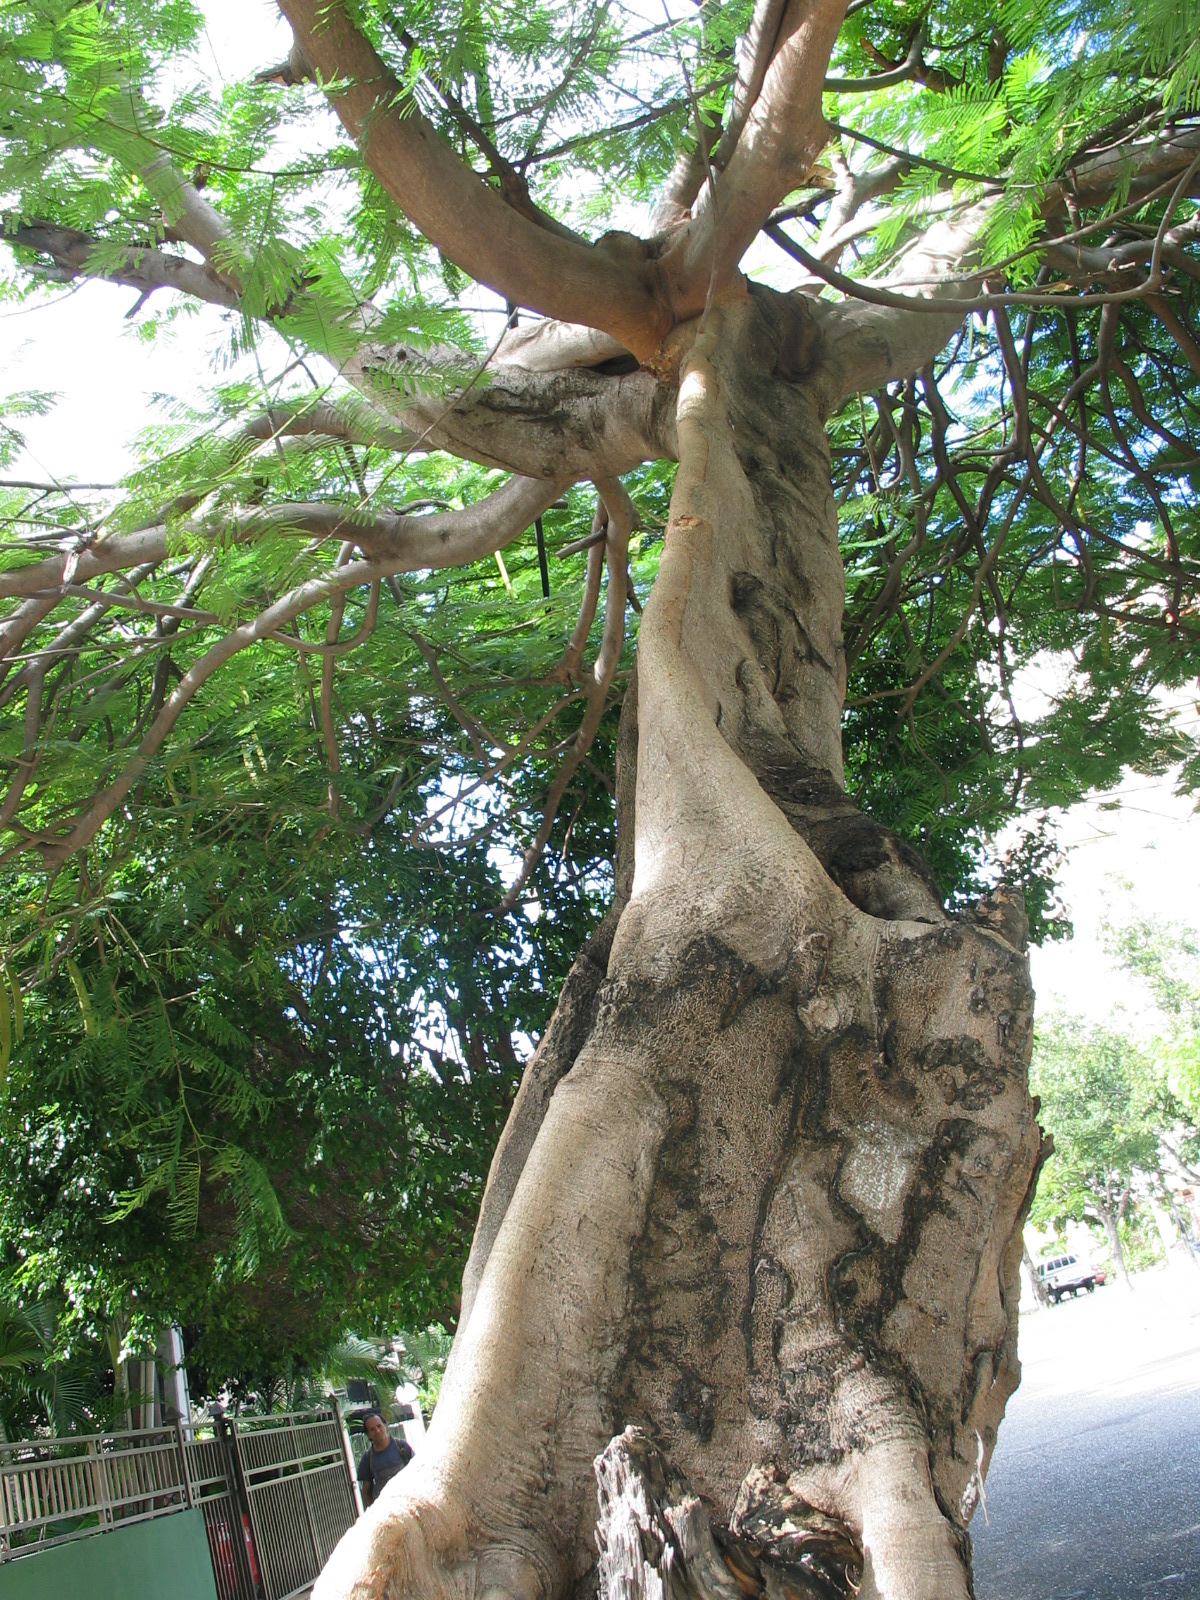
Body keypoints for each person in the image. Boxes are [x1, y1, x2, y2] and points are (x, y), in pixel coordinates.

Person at [356, 1409, 412, 1507]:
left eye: (379, 1426)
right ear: (368, 1434)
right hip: (386, 1508)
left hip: (409, 1501)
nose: (377, 1431)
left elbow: (417, 1470)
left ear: (385, 1426)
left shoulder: (402, 1446)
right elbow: (366, 1490)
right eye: (372, 1429)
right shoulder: (367, 1458)